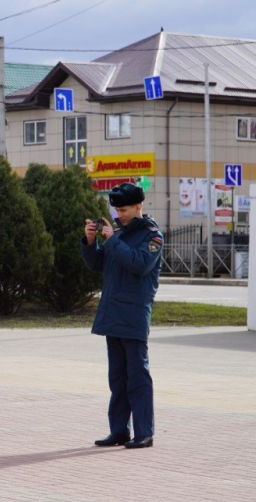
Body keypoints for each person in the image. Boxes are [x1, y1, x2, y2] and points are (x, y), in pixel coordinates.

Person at [81, 182, 162, 450]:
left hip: (134, 315)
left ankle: (144, 433)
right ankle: (118, 431)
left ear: (139, 206)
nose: (119, 215)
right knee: (117, 378)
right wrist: (91, 242)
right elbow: (97, 264)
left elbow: (139, 265)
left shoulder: (152, 236)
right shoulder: (120, 235)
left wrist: (113, 239)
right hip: (113, 314)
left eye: (124, 209)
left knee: (137, 377)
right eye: (116, 210)